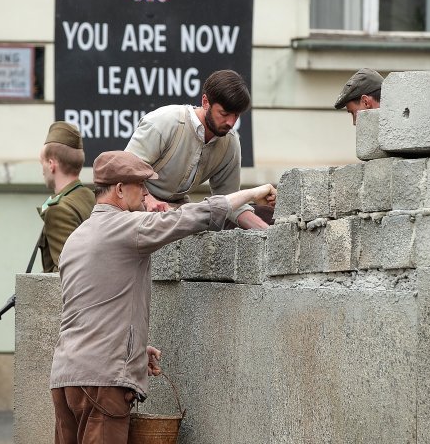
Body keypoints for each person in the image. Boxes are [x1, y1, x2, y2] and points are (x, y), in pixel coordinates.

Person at [49, 150, 276, 444]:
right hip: (102, 382)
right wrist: (251, 194)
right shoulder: (127, 227)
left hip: (66, 378)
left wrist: (133, 349)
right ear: (119, 189)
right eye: (140, 185)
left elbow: (87, 308)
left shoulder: (76, 238)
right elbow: (190, 217)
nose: (146, 192)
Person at [125, 69, 272, 229]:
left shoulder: (230, 142)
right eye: (224, 113)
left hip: (177, 212)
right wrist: (148, 201)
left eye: (236, 116)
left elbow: (229, 203)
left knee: (263, 215)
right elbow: (123, 173)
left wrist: (267, 233)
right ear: (205, 102)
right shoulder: (164, 123)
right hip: (132, 208)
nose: (231, 123)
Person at [38, 121, 95, 272]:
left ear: (51, 164)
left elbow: (67, 275)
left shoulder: (58, 210)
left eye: (42, 163)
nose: (42, 170)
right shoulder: (92, 198)